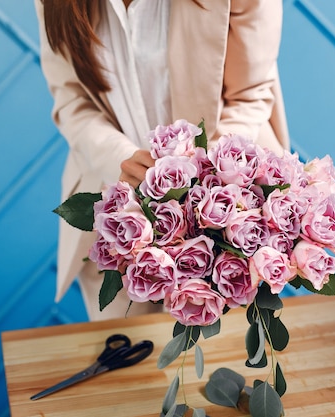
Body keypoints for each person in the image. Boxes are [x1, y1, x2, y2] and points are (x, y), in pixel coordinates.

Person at [34, 0, 290, 321]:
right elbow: (72, 101)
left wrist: (203, 183)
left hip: (226, 207)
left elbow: (250, 95)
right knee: (129, 352)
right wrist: (119, 158)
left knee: (229, 360)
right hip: (116, 209)